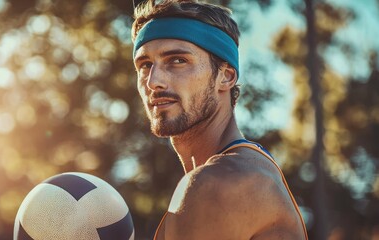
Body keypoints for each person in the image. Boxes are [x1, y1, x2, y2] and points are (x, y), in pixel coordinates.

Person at [131, 0, 308, 239]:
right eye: (145, 65)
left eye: (177, 60)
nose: (153, 81)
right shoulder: (238, 170)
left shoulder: (219, 183)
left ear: (225, 77)